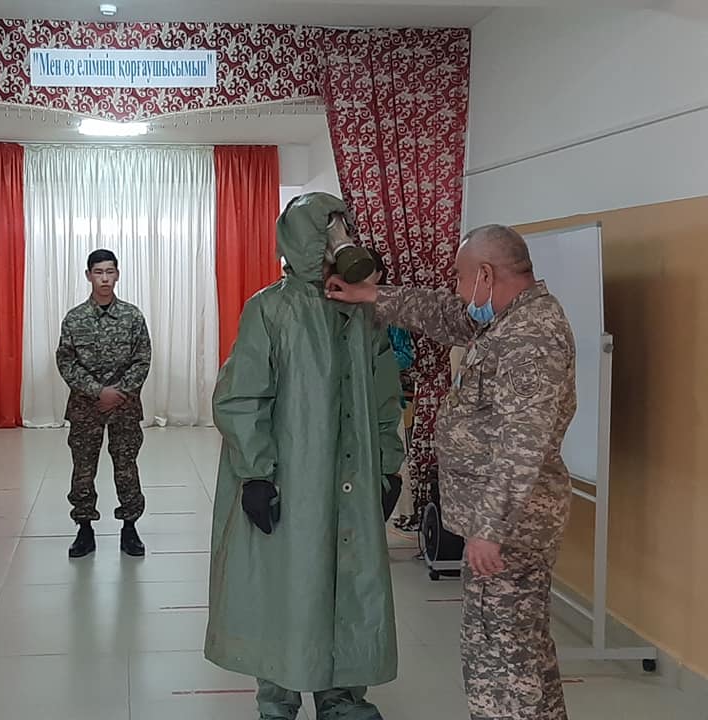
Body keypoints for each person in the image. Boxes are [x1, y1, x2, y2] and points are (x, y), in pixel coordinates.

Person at [326, 224, 575, 720]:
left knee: (502, 659)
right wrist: (372, 295)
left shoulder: (531, 338)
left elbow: (521, 444)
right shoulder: (505, 319)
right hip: (504, 522)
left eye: (460, 278)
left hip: (510, 529)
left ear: (485, 274)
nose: (458, 290)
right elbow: (444, 313)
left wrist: (489, 530)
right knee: (520, 650)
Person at [205, 192, 397, 720]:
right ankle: (278, 698)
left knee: (350, 581)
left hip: (354, 477)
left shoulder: (364, 313)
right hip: (294, 479)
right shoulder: (270, 308)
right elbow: (241, 396)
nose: (339, 241)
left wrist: (387, 465)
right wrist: (256, 474)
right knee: (288, 581)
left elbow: (385, 394)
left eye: (343, 227)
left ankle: (344, 699)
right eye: (327, 230)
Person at [55, 249, 152, 559]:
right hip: (86, 408)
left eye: (110, 272)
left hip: (124, 407)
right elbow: (66, 361)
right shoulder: (75, 318)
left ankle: (130, 527)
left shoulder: (132, 316)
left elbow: (142, 359)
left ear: (118, 274)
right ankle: (84, 529)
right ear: (88, 276)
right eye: (98, 272)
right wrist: (98, 391)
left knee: (126, 467)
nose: (105, 278)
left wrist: (118, 392)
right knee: (83, 469)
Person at [367, 250, 408, 522]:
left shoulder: (388, 311)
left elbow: (405, 354)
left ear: (379, 275)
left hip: (384, 400)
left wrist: (377, 364)